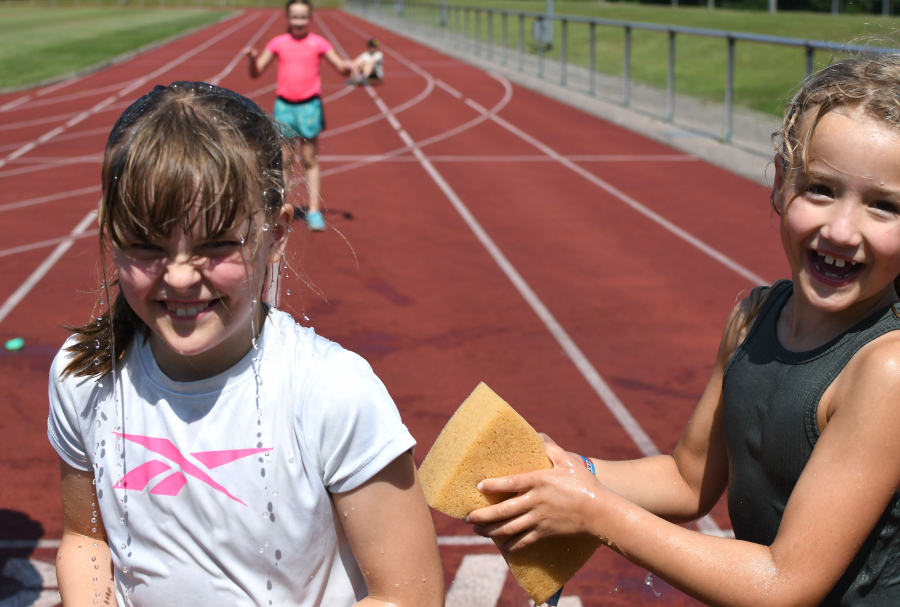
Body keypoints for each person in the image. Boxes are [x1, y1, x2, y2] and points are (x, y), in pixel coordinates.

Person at [466, 56, 900, 606]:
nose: (841, 229)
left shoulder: (885, 369)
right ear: (779, 183)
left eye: (884, 206)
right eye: (820, 188)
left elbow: (784, 583)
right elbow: (687, 478)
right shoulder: (753, 317)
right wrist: (576, 472)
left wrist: (592, 510)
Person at [48, 81, 444, 607]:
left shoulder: (331, 393)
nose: (182, 277)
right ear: (111, 235)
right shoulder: (85, 377)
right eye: (147, 245)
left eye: (215, 245)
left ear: (275, 234)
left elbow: (408, 594)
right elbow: (85, 537)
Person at [245, 0, 357, 232]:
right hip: (284, 108)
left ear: (310, 18)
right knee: (284, 161)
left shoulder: (318, 43)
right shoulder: (278, 43)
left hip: (310, 108)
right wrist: (252, 59)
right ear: (287, 18)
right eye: (294, 17)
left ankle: (314, 210)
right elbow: (256, 72)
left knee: (310, 160)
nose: (298, 22)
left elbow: (340, 67)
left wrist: (348, 66)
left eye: (303, 17)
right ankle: (283, 208)